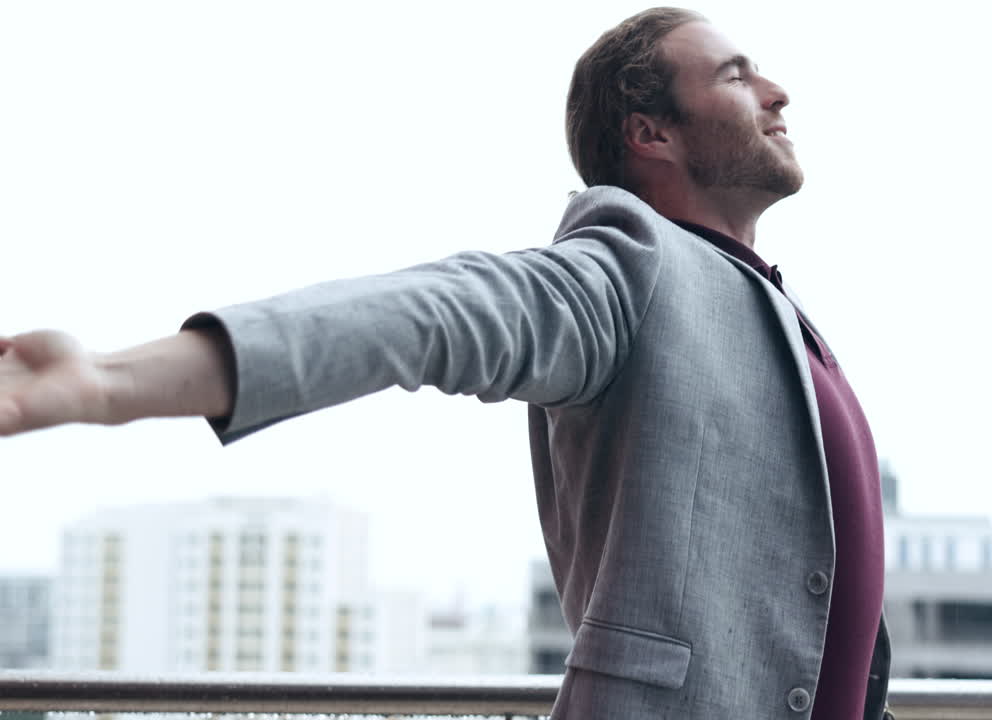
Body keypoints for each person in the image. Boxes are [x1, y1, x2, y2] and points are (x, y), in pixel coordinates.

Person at [0, 7, 891, 719]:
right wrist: (106, 383)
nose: (776, 91)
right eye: (736, 76)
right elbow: (429, 314)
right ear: (651, 132)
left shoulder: (770, 303)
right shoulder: (632, 265)